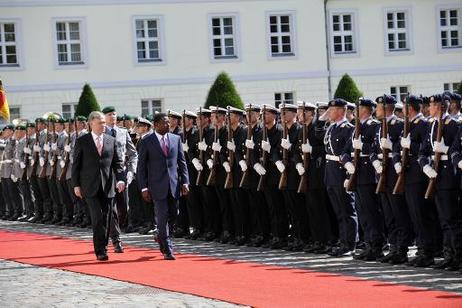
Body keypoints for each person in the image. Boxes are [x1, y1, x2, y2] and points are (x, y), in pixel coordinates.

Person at [72, 111, 126, 261]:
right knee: (97, 218)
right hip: (89, 186)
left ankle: (105, 245)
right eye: (100, 123)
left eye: (104, 122)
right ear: (91, 124)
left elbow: (117, 163)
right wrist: (76, 185)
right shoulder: (82, 141)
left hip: (108, 186)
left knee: (107, 218)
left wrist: (121, 179)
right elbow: (76, 165)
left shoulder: (111, 140)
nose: (104, 125)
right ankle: (100, 250)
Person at [137, 112, 189, 260]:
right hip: (156, 186)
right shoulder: (147, 141)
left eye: (168, 122)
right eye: (164, 122)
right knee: (161, 216)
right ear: (156, 124)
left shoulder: (175, 139)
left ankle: (160, 234)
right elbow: (141, 167)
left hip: (173, 185)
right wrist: (144, 187)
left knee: (173, 214)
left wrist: (185, 181)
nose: (168, 124)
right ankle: (167, 248)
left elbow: (182, 162)